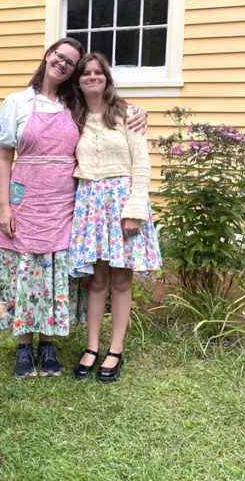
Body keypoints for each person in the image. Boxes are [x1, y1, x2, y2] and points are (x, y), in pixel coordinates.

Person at [0, 38, 147, 379]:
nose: (63, 64)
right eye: (59, 57)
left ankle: (48, 345)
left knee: (53, 270)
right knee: (25, 269)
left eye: (70, 63)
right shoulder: (17, 102)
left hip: (65, 201)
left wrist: (137, 113)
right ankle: (23, 345)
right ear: (48, 56)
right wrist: (4, 206)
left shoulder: (72, 105)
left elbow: (107, 112)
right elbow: (4, 157)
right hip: (25, 196)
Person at [69, 52, 161, 383]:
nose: (92, 77)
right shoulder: (72, 116)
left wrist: (135, 209)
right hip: (90, 203)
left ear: (107, 78)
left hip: (123, 203)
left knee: (121, 280)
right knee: (97, 280)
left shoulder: (128, 115)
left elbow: (142, 162)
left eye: (98, 72)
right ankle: (92, 347)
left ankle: (115, 350)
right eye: (85, 73)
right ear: (77, 80)